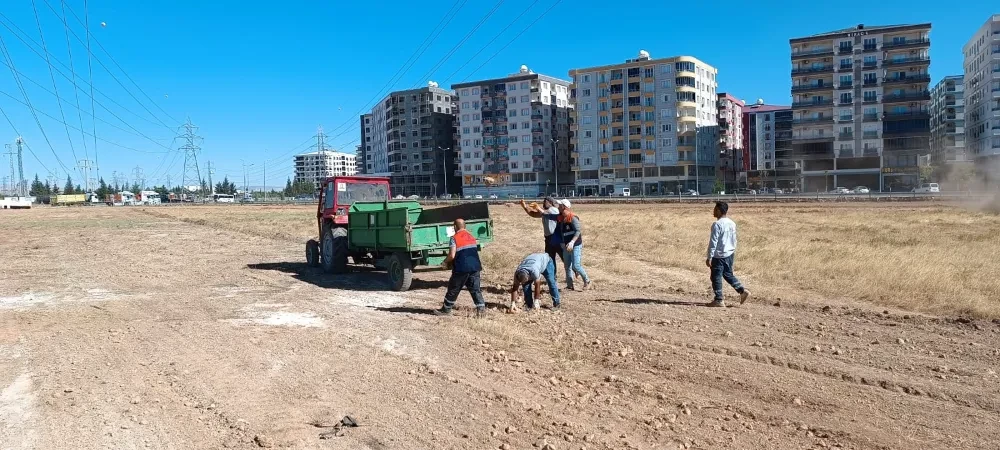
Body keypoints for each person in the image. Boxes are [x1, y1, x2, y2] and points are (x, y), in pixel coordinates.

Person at [435, 219, 486, 317]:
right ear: (464, 226)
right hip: (475, 267)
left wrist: (444, 262)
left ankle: (446, 310)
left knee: (453, 288)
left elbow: (452, 255)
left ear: (454, 227)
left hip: (462, 268)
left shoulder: (454, 238)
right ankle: (481, 310)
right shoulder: (471, 237)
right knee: (475, 289)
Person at [705, 201, 750, 307]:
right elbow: (734, 239)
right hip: (729, 254)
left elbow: (713, 242)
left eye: (715, 209)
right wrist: (732, 250)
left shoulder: (717, 224)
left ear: (719, 211)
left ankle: (719, 300)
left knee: (716, 277)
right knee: (728, 274)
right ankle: (742, 291)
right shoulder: (732, 223)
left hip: (718, 255)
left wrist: (709, 257)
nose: (713, 211)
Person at [557, 199, 592, 291]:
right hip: (566, 245)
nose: (558, 207)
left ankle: (587, 281)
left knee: (576, 266)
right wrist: (562, 243)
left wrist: (572, 242)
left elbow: (578, 231)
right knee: (567, 265)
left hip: (575, 245)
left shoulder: (572, 218)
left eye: (560, 205)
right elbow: (562, 232)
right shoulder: (561, 218)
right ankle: (569, 285)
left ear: (564, 207)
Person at [519, 197, 562, 272]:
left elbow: (546, 213)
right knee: (549, 259)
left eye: (546, 201)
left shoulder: (554, 210)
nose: (544, 203)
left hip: (556, 237)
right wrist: (525, 207)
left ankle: (573, 271)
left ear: (551, 203)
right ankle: (553, 276)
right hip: (548, 238)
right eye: (543, 201)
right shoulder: (544, 211)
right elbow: (533, 214)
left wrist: (538, 208)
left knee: (564, 257)